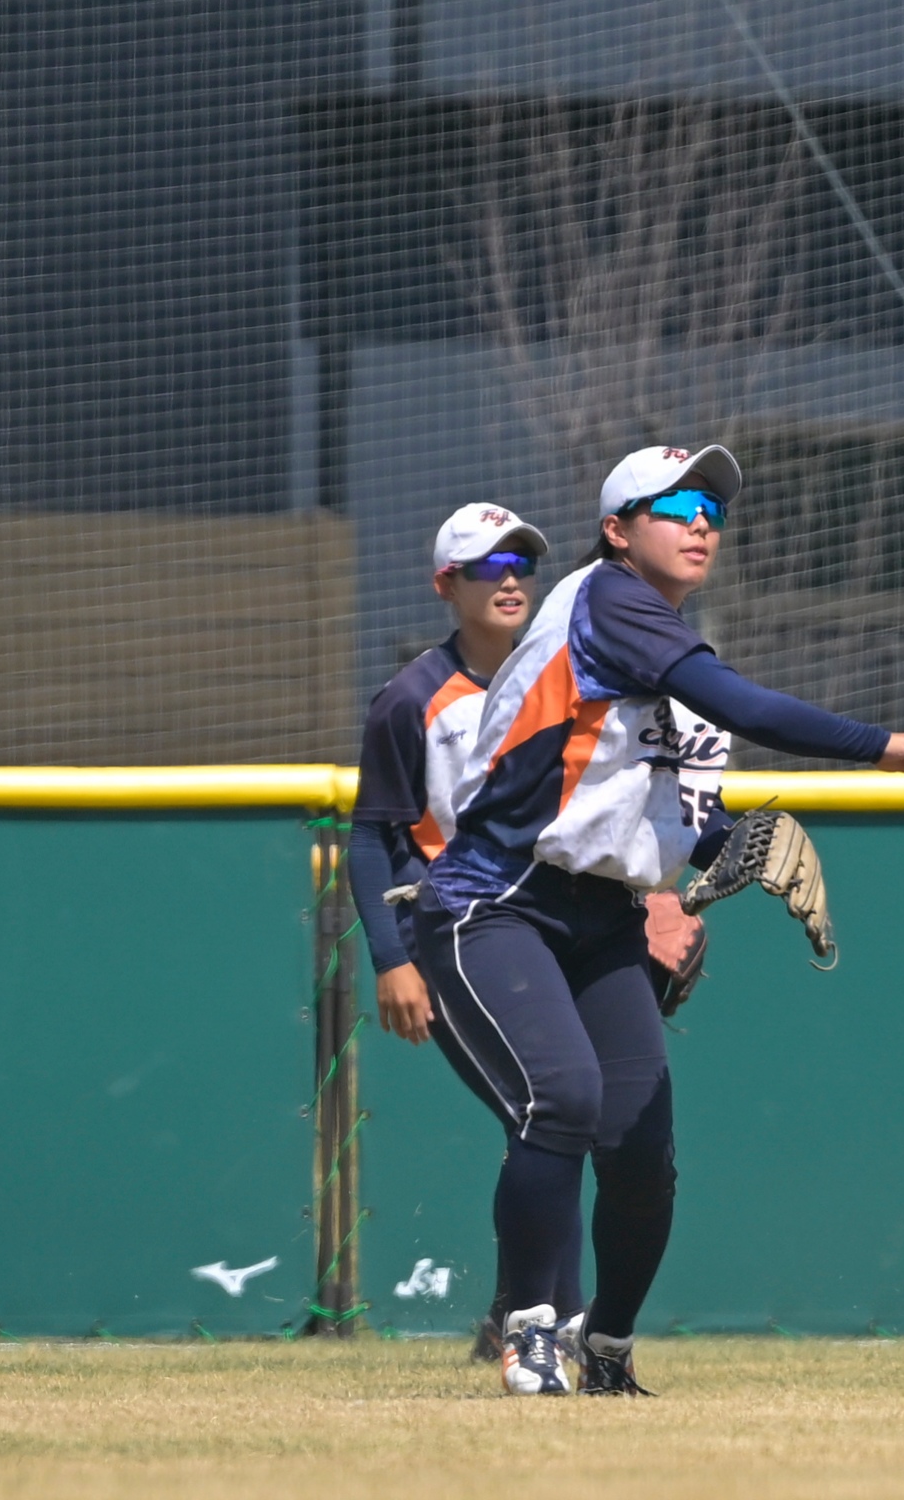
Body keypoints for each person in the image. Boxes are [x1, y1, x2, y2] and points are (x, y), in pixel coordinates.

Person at [416, 444, 904, 1396]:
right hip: (498, 898)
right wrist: (878, 744)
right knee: (564, 1101)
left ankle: (607, 1349)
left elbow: (658, 797)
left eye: (712, 508)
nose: (701, 522)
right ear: (617, 531)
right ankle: (530, 1332)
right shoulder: (609, 600)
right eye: (673, 507)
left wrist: (730, 845)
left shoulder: (658, 641)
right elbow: (741, 705)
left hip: (602, 915)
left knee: (641, 1152)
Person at [349, 503, 593, 1361]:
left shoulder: (563, 678)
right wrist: (392, 960)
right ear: (445, 586)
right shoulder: (411, 698)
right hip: (454, 935)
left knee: (561, 1115)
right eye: (488, 567)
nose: (511, 579)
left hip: (551, 925)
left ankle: (514, 1319)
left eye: (521, 563)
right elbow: (371, 835)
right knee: (548, 1110)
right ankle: (548, 1324)